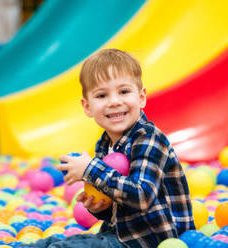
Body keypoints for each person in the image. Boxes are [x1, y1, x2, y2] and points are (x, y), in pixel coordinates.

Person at [20, 49, 195, 248]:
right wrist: (100, 207)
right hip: (119, 236)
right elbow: (121, 207)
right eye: (102, 95)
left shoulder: (149, 138)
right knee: (46, 243)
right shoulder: (105, 144)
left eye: (124, 91)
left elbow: (141, 196)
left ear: (141, 97)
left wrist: (89, 169)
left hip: (151, 240)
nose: (114, 101)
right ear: (87, 107)